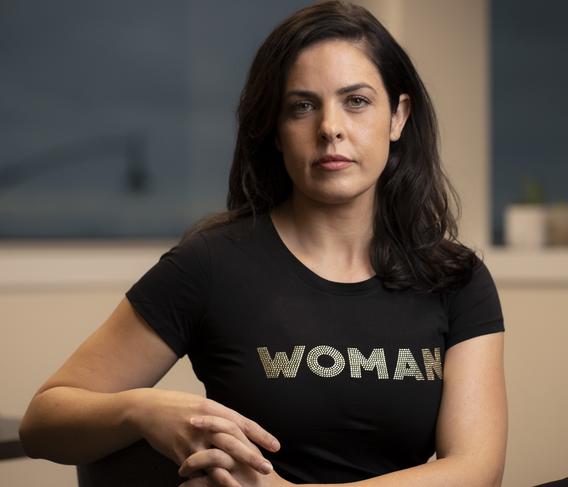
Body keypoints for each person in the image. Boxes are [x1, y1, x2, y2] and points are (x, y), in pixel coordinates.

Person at [19, 1, 507, 486]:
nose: (330, 128)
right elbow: (43, 423)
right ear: (275, 129)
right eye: (302, 106)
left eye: (356, 101)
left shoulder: (455, 279)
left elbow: (475, 470)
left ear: (398, 116)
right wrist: (142, 409)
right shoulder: (211, 265)